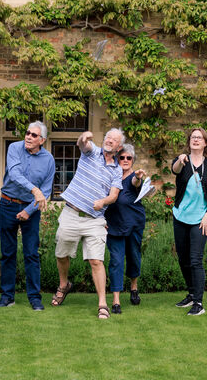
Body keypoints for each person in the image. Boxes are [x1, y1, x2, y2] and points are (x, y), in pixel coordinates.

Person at [53, 129, 124, 320]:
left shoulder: (117, 170)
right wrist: (83, 137)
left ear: (119, 147)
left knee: (96, 261)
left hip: (95, 219)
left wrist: (103, 202)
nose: (110, 141)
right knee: (62, 254)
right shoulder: (92, 152)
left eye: (114, 140)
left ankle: (102, 304)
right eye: (108, 137)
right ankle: (63, 285)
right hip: (72, 213)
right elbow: (82, 145)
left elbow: (114, 195)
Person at [0, 121, 54, 311]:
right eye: (27, 133)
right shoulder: (14, 148)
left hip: (31, 209)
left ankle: (35, 298)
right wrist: (34, 189)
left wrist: (28, 211)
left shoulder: (49, 160)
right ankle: (7, 296)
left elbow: (45, 191)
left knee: (31, 254)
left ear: (42, 140)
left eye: (34, 135)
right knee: (7, 253)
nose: (28, 137)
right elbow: (14, 174)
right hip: (8, 204)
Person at [171, 128, 207, 316]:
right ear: (189, 141)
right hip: (180, 216)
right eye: (193, 137)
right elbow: (174, 170)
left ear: (205, 143)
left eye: (199, 138)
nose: (196, 140)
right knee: (183, 259)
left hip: (201, 218)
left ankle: (198, 303)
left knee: (195, 260)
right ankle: (191, 293)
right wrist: (180, 161)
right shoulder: (182, 160)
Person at [104, 144, 147, 314]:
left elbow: (136, 183)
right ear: (117, 159)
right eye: (122, 157)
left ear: (133, 160)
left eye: (129, 158)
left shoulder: (134, 178)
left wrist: (137, 176)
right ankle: (116, 300)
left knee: (134, 257)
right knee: (116, 261)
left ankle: (134, 288)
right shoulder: (110, 177)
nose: (125, 160)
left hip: (134, 224)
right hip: (113, 225)